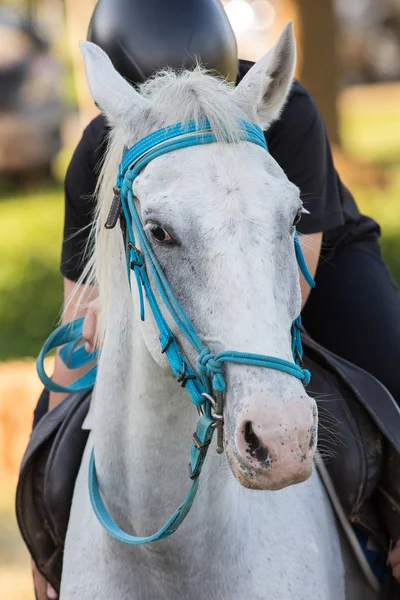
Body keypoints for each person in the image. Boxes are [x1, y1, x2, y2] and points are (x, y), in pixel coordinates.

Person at [31, 0, 400, 597]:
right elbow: (81, 308)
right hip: (171, 267)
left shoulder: (290, 110)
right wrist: (96, 323)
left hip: (309, 259)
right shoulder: (96, 153)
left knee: (389, 355)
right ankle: (46, 553)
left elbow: (291, 276)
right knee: (54, 413)